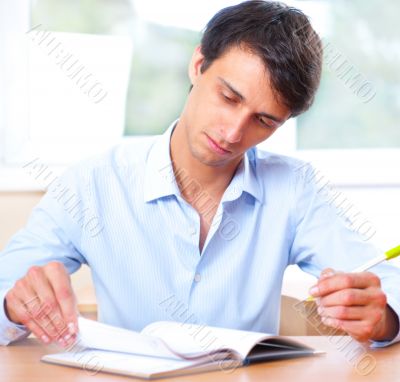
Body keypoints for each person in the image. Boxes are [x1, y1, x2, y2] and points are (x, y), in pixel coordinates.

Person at [1, 0, 399, 348]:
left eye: (263, 120)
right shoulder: (92, 183)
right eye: (228, 97)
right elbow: (6, 290)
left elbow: (388, 289)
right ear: (198, 65)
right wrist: (13, 305)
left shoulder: (295, 188)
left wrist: (382, 319)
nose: (233, 133)